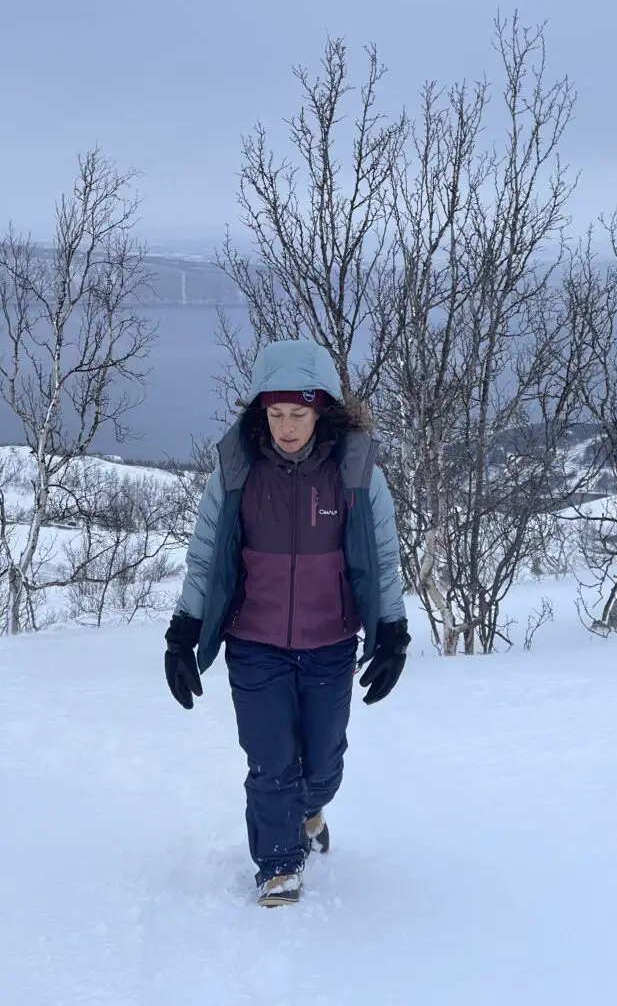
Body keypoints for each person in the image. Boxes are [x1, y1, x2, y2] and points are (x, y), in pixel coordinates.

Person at [163, 339, 410, 907]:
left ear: (322, 408)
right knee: (270, 759)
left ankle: (313, 808)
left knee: (321, 765)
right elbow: (205, 556)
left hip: (330, 643)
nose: (287, 427)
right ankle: (278, 866)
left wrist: (392, 630)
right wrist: (184, 630)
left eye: (299, 414)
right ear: (260, 412)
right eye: (276, 414)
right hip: (254, 643)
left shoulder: (356, 471)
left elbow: (384, 556)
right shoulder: (237, 470)